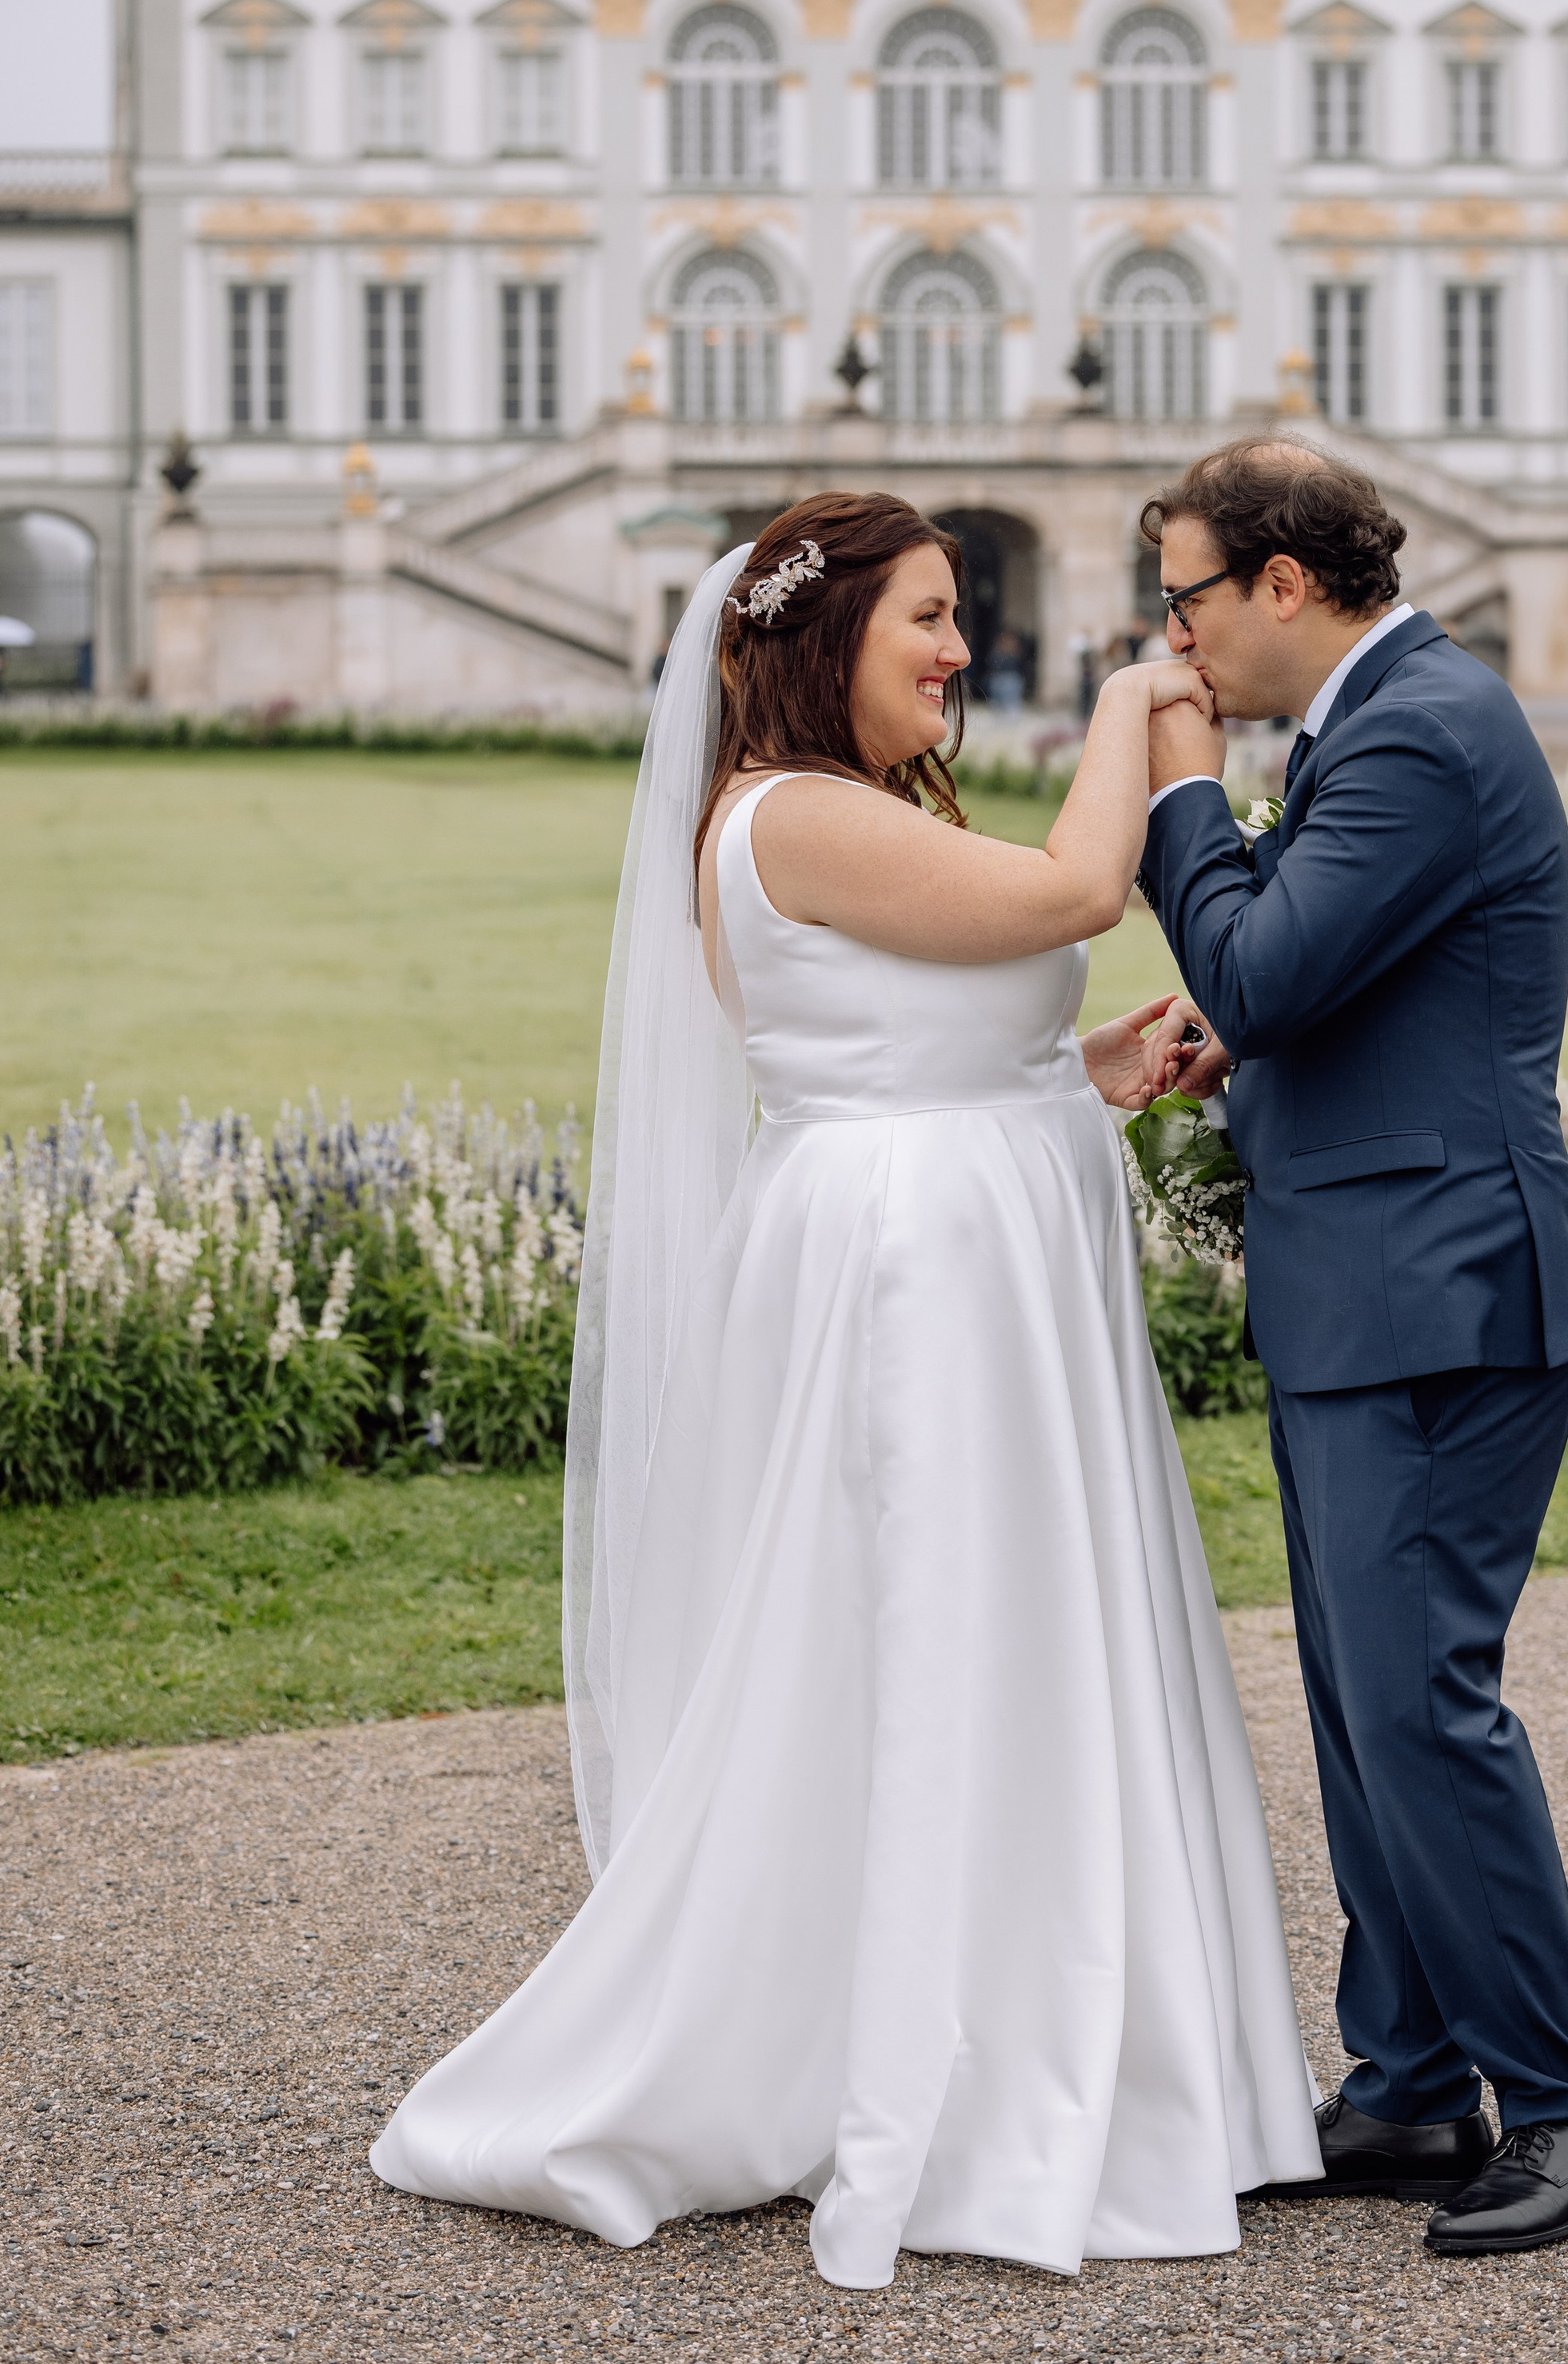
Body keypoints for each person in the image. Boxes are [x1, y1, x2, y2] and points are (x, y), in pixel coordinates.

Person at [371, 489, 1319, 2288]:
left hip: (962, 1241)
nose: (960, 649)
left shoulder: (843, 808)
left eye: (957, 614)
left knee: (987, 1630)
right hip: (912, 1275)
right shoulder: (791, 812)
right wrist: (1136, 702)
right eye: (927, 620)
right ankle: (941, 2060)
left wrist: (1085, 1063)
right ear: (825, 641)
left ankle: (1035, 2020)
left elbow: (917, 1032)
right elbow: (1075, 891)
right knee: (930, 1632)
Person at [1135, 439, 1568, 2259]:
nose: (1173, 637)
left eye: (1185, 596)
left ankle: (1564, 2108)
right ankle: (1417, 2079)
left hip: (1439, 1291)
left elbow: (1268, 969)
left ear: (1282, 581)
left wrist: (1181, 794)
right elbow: (1314, 984)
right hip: (1369, 1283)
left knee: (1420, 1699)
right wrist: (1239, 1029)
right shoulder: (1376, 724)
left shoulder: (1418, 729)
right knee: (1367, 1705)